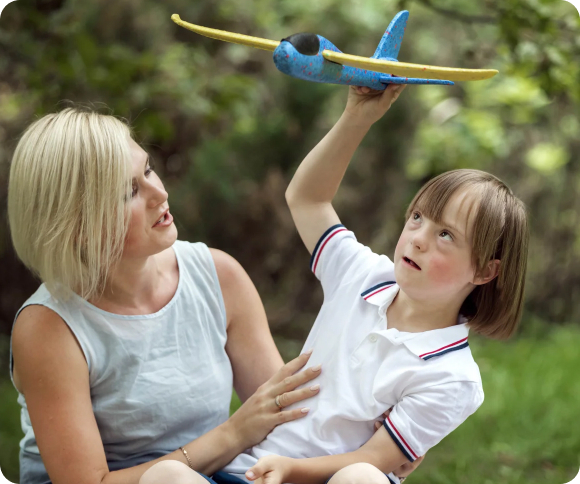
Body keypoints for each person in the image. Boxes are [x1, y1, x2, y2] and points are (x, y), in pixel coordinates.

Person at [142, 83, 529, 484]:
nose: (418, 238)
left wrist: (291, 469)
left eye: (445, 235)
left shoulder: (452, 376)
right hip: (251, 474)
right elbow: (307, 198)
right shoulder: (362, 274)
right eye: (417, 217)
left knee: (361, 477)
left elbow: (374, 459)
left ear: (485, 272)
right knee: (166, 475)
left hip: (327, 479)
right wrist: (357, 117)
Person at [7, 106, 325, 484]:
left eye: (148, 170)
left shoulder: (219, 276)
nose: (160, 193)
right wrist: (233, 434)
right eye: (129, 192)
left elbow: (285, 418)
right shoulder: (49, 326)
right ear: (77, 227)